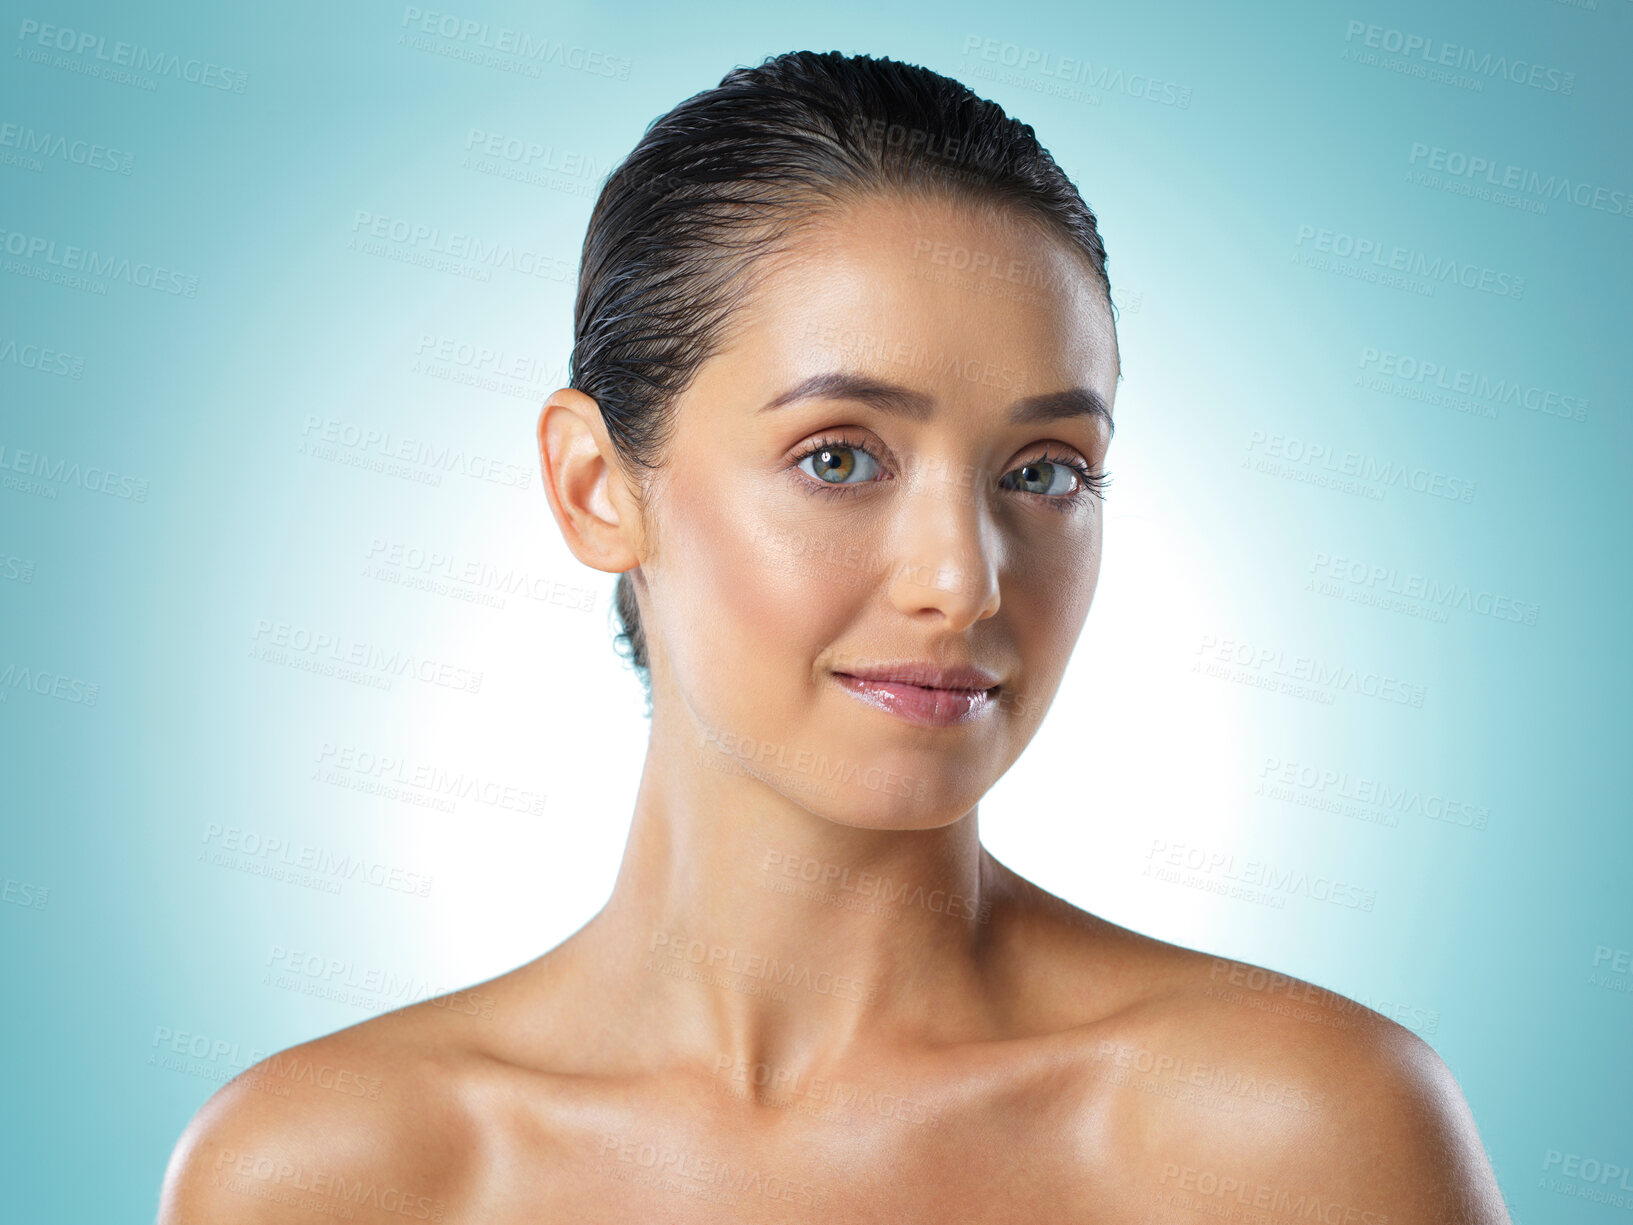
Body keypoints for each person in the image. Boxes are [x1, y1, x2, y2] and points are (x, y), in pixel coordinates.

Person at [158, 50, 1512, 1223]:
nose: (959, 580)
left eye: (1042, 469)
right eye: (839, 457)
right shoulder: (324, 1175)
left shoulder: (1293, 1137)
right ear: (592, 487)